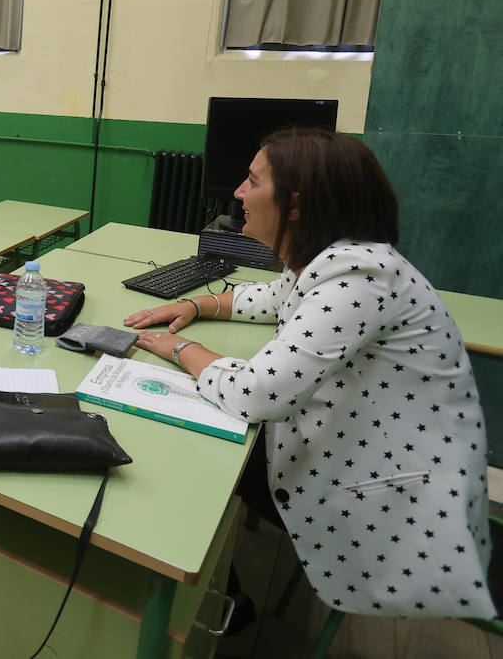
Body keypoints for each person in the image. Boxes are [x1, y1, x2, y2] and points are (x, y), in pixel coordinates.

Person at [123, 129, 493, 618]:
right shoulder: (332, 260)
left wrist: (180, 349)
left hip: (393, 496)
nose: (238, 193)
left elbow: (256, 392)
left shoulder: (359, 280)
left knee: (193, 457)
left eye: (252, 181)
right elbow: (273, 298)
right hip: (357, 445)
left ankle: (210, 608)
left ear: (295, 204)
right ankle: (206, 596)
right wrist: (197, 303)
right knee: (204, 446)